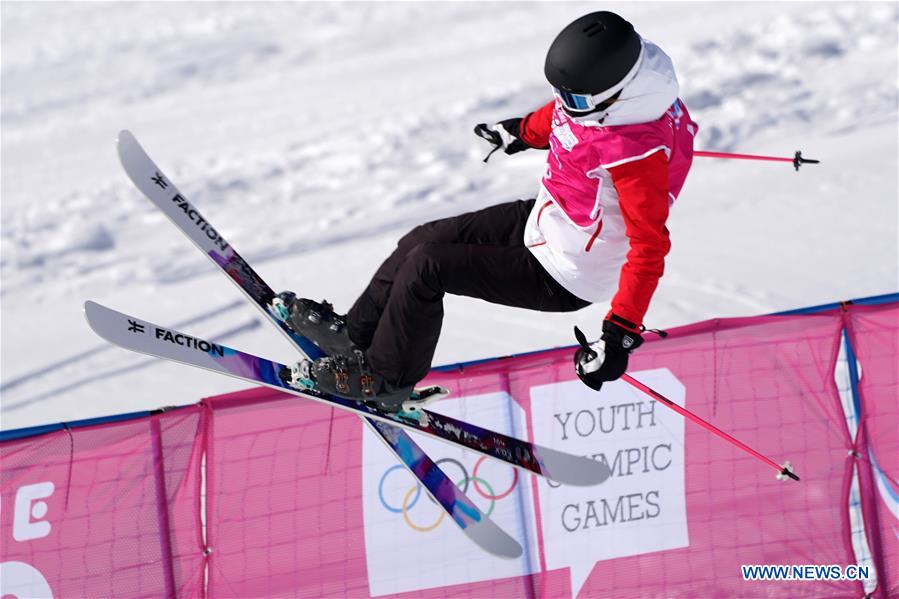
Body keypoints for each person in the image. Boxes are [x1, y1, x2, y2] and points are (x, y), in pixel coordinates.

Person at [274, 11, 697, 412]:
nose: (565, 101)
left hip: (568, 272)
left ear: (615, 96)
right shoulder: (605, 97)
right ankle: (356, 335)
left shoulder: (635, 155)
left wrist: (619, 334)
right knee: (423, 238)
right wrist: (520, 132)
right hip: (550, 219)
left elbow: (649, 246)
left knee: (429, 268)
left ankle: (385, 379)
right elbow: (564, 116)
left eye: (574, 97)